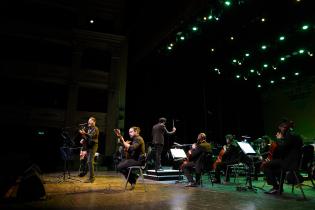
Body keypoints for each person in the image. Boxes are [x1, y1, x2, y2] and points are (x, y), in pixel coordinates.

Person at [263, 119, 303, 194]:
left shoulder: (289, 135)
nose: (282, 129)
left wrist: (279, 139)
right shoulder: (296, 135)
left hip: (289, 163)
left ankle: (276, 187)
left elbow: (282, 148)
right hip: (295, 162)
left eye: (282, 127)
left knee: (265, 165)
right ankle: (279, 188)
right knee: (276, 167)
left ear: (284, 127)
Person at [79, 116, 99, 183]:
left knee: (90, 161)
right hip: (89, 146)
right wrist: (83, 138)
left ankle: (92, 178)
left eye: (90, 121)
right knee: (88, 161)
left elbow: (91, 136)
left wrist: (85, 133)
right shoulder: (89, 129)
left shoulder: (95, 128)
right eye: (88, 121)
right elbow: (87, 138)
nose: (88, 122)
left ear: (94, 122)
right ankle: (86, 174)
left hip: (93, 146)